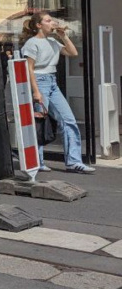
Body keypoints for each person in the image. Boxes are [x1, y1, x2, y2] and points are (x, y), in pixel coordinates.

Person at [19, 12, 94, 174]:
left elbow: (73, 53)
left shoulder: (53, 41)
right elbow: (29, 68)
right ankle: (36, 161)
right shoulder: (32, 43)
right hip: (39, 81)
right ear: (39, 25)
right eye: (47, 20)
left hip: (52, 82)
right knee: (39, 123)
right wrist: (36, 91)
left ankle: (73, 161)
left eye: (51, 20)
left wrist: (64, 36)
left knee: (68, 120)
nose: (52, 23)